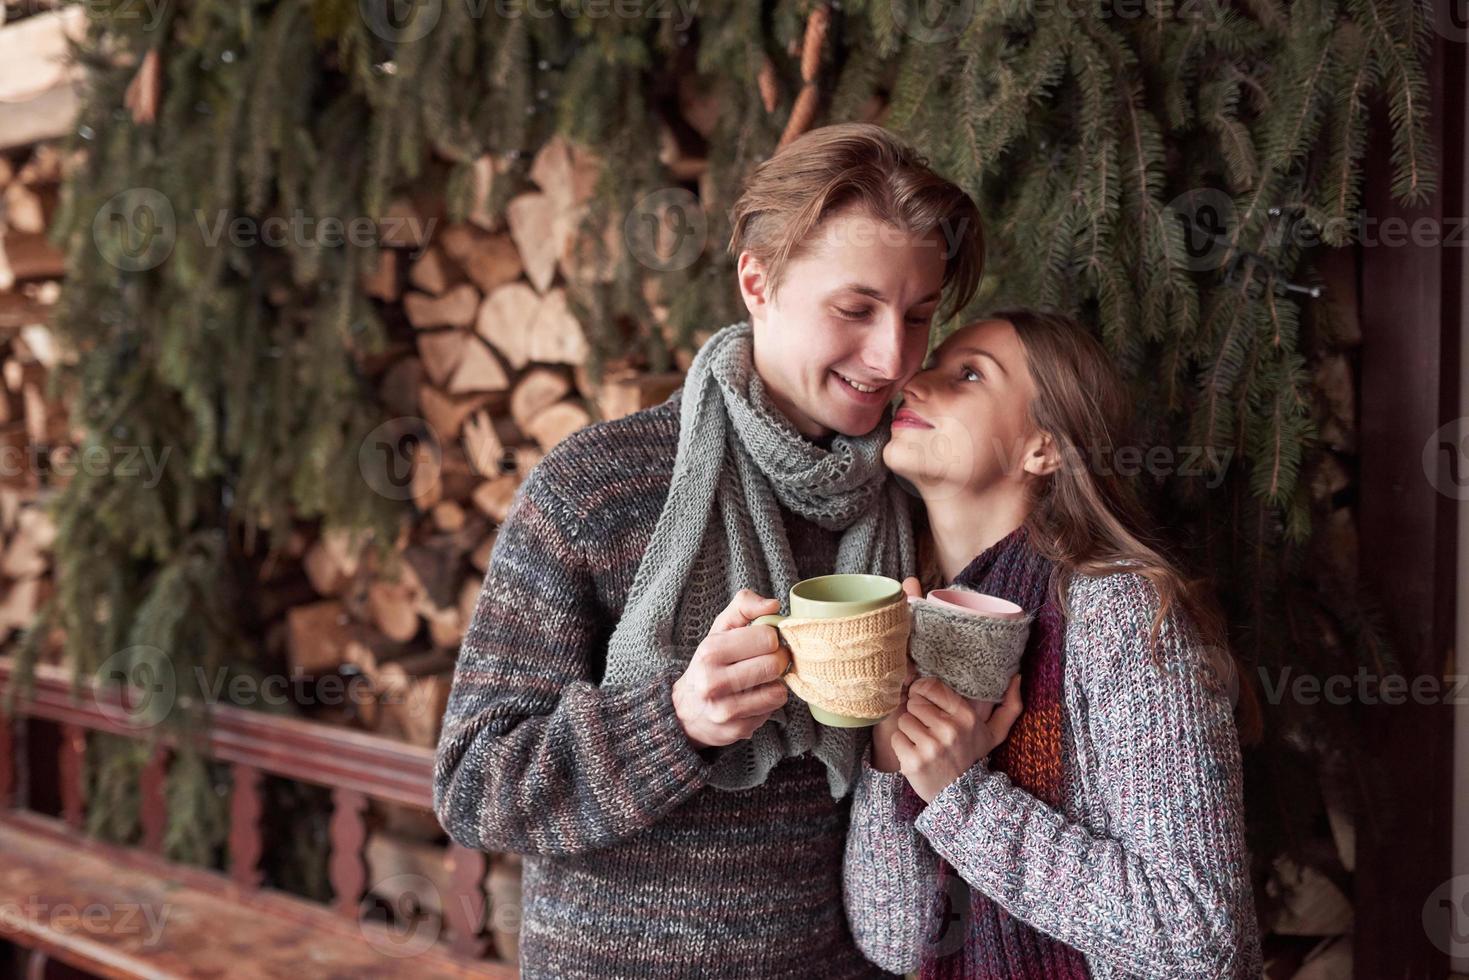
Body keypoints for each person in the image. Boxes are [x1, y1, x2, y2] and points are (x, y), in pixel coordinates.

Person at [432, 122, 984, 978]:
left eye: (918, 316)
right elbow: (474, 790)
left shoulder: (916, 501)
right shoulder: (597, 487)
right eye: (855, 309)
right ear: (756, 282)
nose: (892, 357)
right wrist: (675, 721)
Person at [842, 309, 1264, 978]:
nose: (915, 381)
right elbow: (891, 940)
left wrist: (963, 799)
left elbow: (1202, 943)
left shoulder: (1116, 610)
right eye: (932, 366)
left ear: (1042, 446)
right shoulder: (908, 617)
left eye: (969, 375)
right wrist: (898, 752)